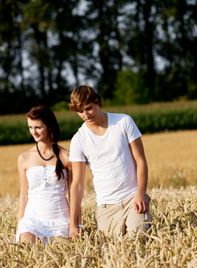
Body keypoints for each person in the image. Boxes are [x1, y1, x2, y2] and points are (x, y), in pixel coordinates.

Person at [69, 85, 151, 238]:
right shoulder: (78, 140)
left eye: (89, 108)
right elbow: (77, 184)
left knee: (138, 238)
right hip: (106, 207)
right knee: (112, 248)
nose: (85, 114)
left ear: (98, 102)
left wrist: (141, 193)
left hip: (132, 198)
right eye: (80, 111)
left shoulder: (124, 121)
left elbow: (140, 161)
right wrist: (73, 224)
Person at [15, 105, 71, 244]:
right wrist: (19, 227)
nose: (33, 132)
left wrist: (76, 224)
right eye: (30, 127)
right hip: (32, 222)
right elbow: (23, 195)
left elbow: (73, 194)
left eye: (38, 127)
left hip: (60, 220)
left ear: (49, 126)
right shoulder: (24, 158)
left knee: (63, 255)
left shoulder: (66, 156)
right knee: (27, 248)